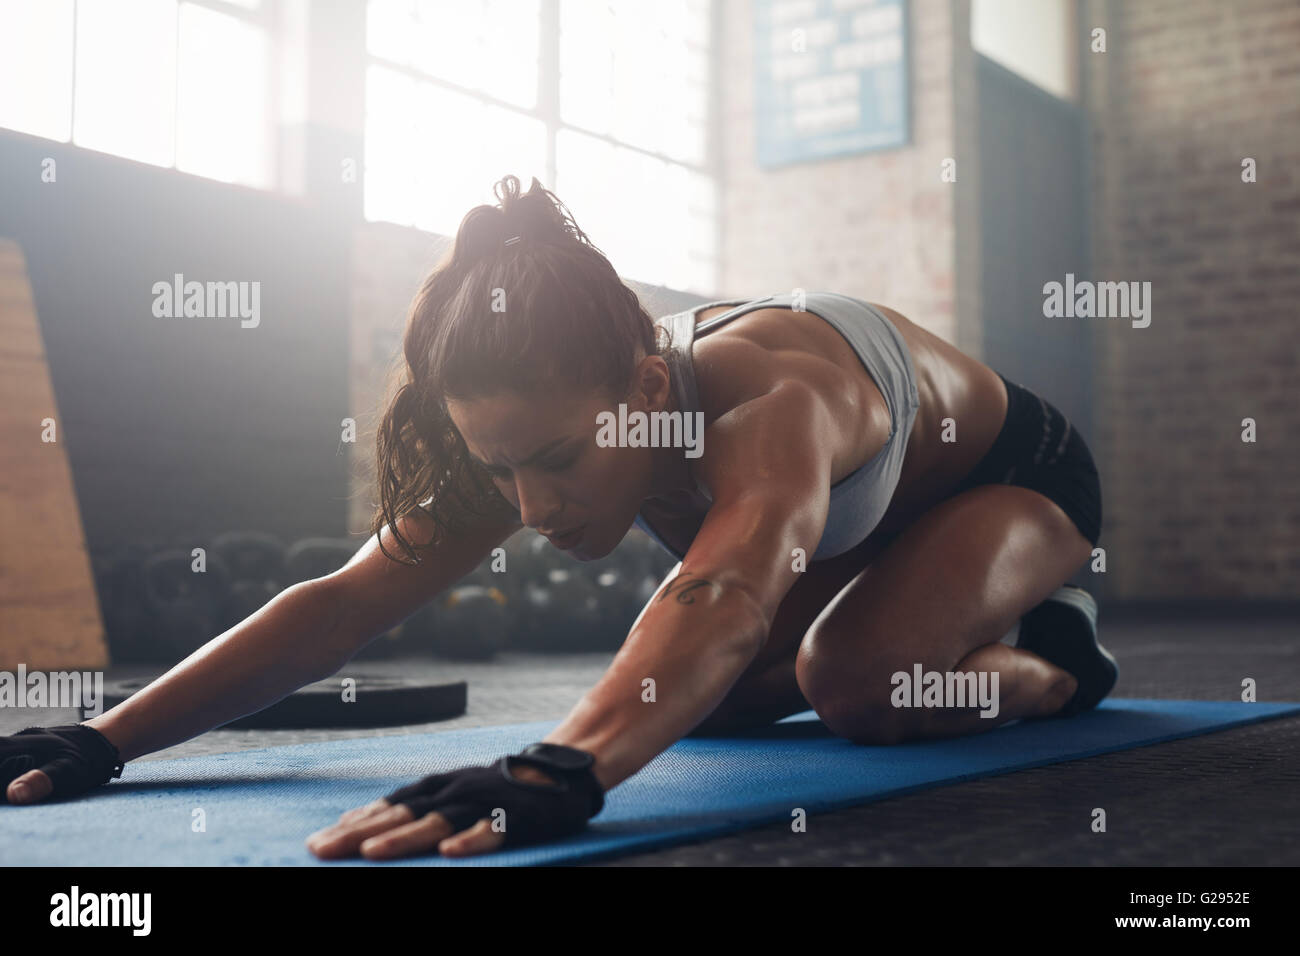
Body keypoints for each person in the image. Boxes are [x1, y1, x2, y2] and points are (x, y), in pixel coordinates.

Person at [0, 175, 1116, 861]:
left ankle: (1051, 656)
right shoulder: (552, 413)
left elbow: (723, 589)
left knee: (855, 682)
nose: (530, 508)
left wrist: (558, 767)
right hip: (870, 533)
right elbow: (344, 602)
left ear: (642, 391)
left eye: (554, 462)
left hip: (1012, 480)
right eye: (502, 470)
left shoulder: (775, 406)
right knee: (702, 695)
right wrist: (108, 738)